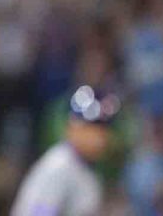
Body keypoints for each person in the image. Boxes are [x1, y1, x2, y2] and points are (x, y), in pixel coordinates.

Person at [11, 86, 120, 216]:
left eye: (103, 129)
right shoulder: (58, 167)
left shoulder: (86, 166)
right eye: (92, 128)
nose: (99, 137)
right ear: (73, 127)